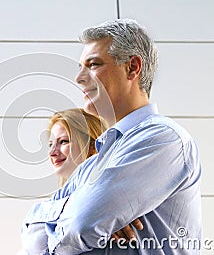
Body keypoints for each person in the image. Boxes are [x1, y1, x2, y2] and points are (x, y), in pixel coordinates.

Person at [23, 18, 202, 254]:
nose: (79, 78)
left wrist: (73, 214)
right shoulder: (93, 164)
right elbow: (31, 242)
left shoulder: (163, 139)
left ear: (132, 67)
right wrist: (89, 213)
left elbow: (83, 222)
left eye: (93, 64)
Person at [22, 108, 143, 254]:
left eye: (63, 142)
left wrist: (39, 217)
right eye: (50, 144)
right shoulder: (63, 198)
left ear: (92, 145)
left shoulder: (121, 191)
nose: (52, 152)